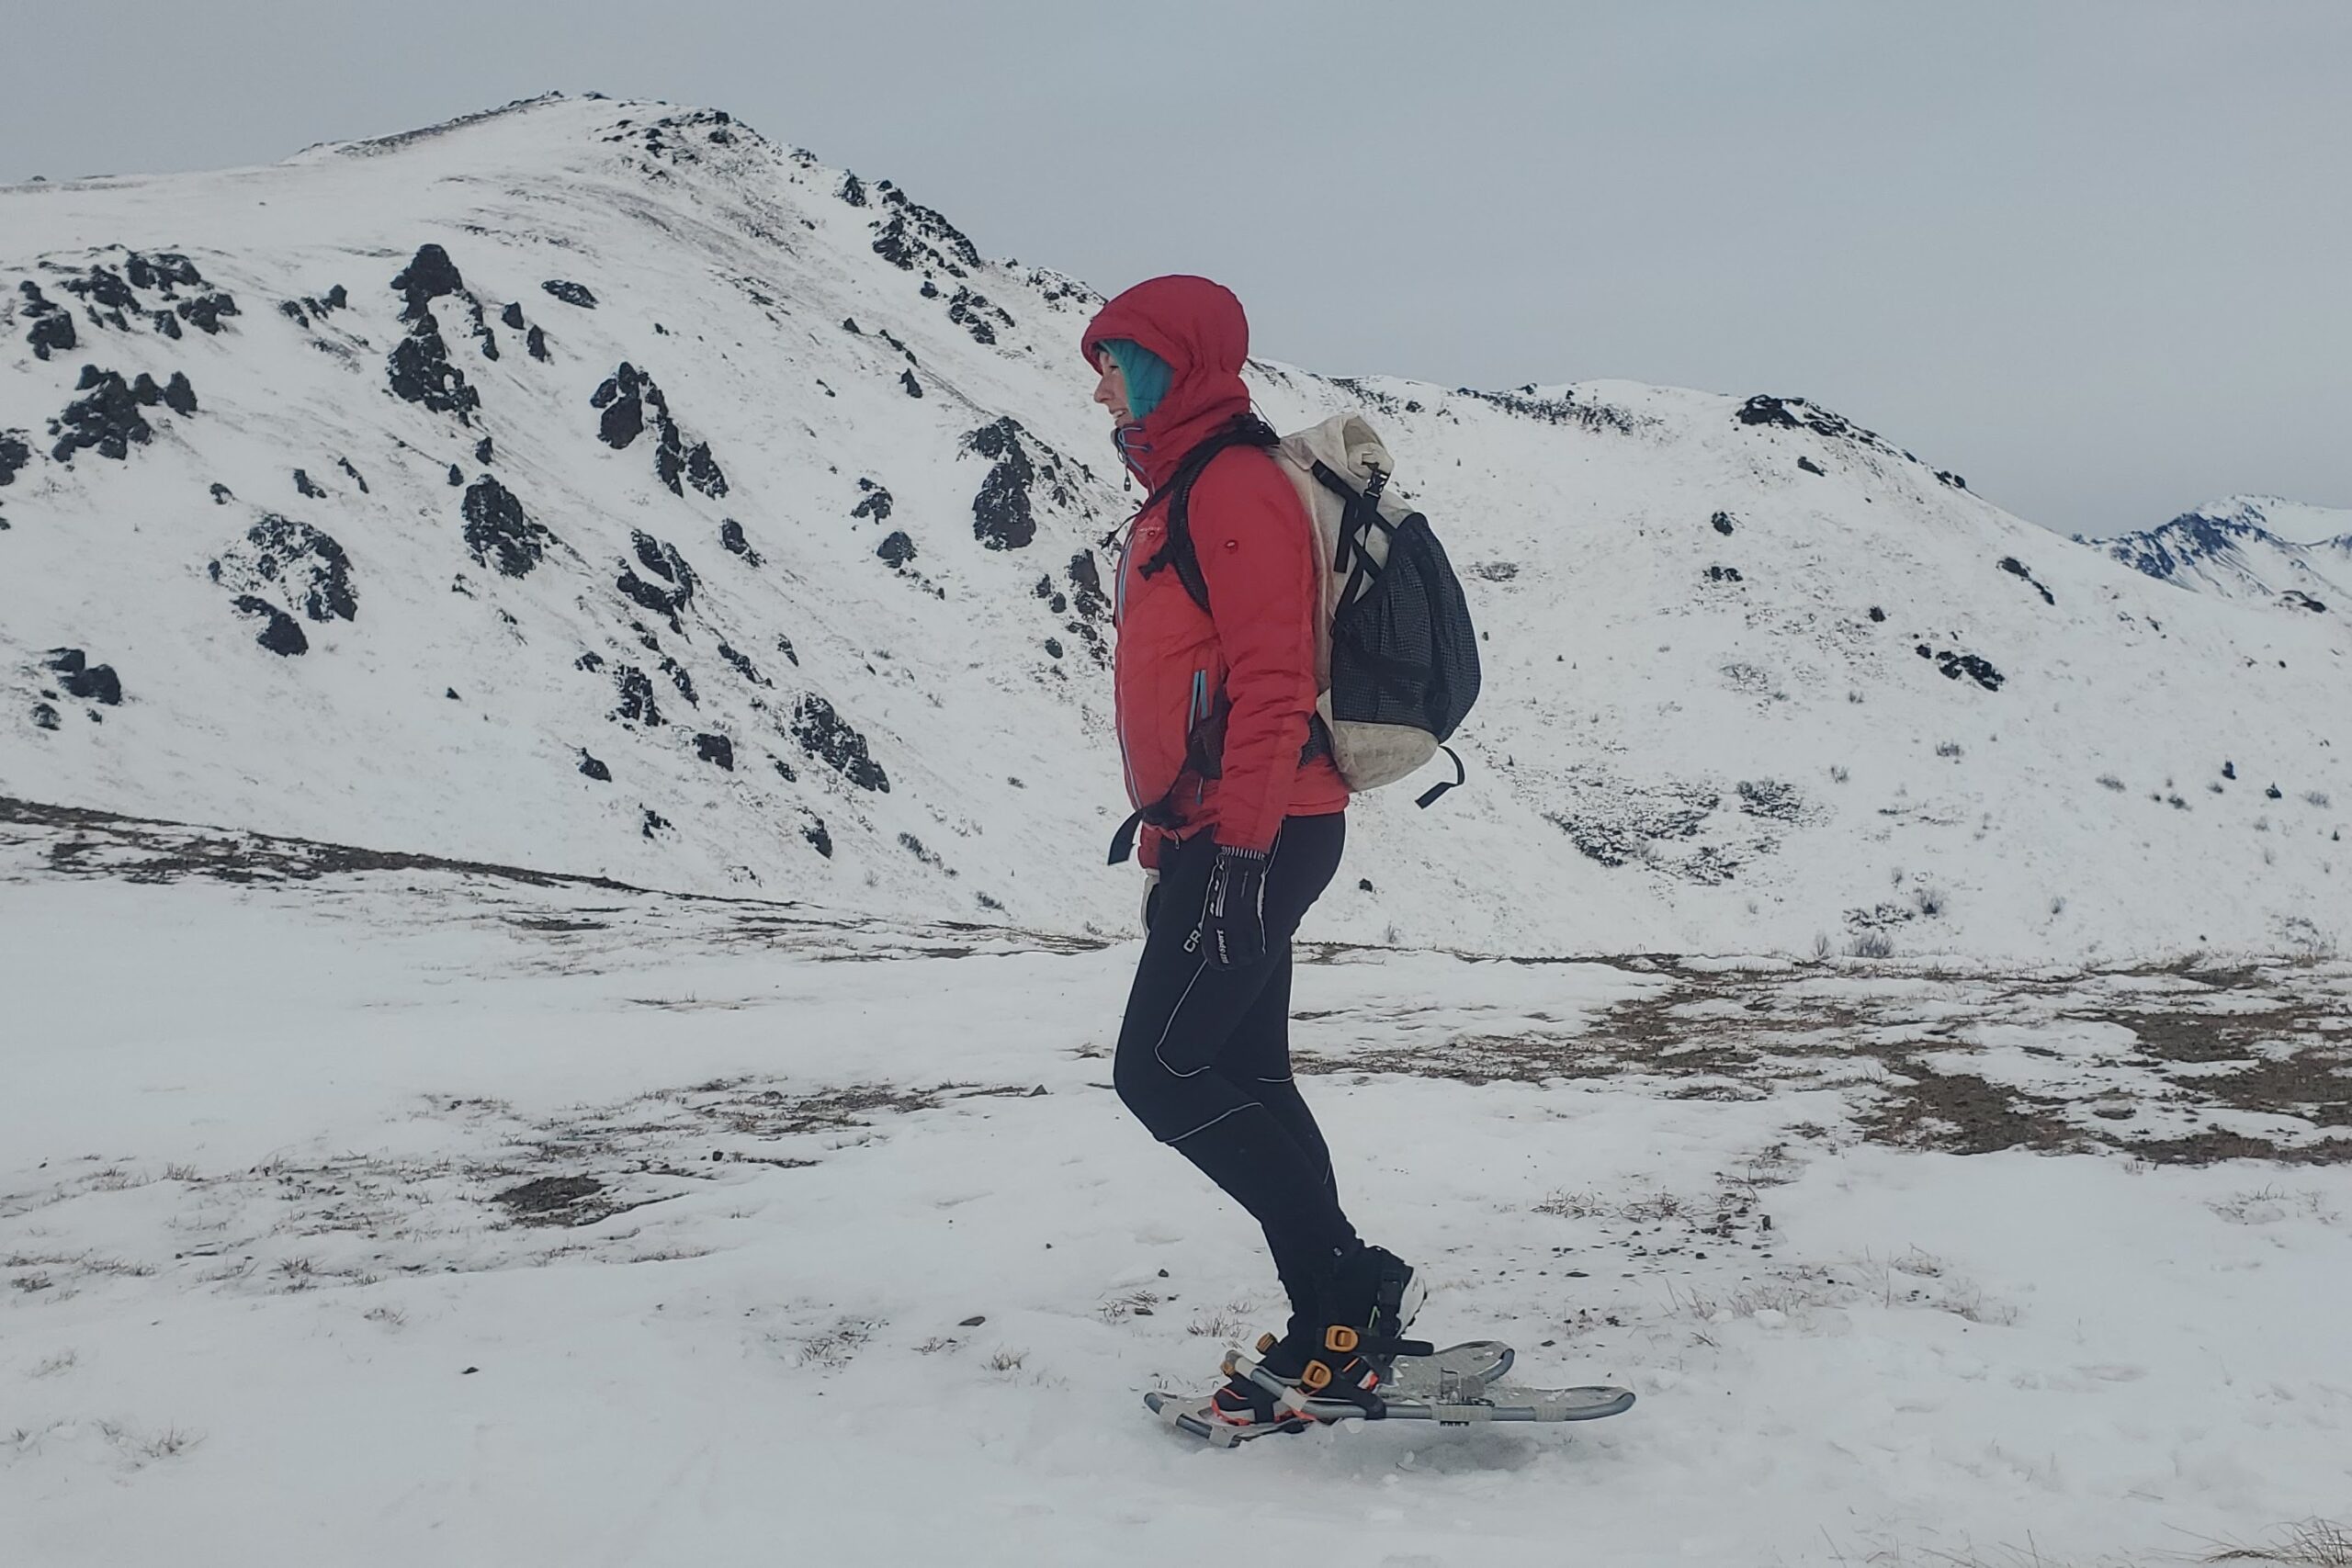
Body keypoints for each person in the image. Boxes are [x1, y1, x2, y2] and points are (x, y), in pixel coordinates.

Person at [1081, 275, 1423, 1427]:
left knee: (1161, 1074)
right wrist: (1179, 833)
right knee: (1246, 1074)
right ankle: (1334, 1318)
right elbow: (1198, 685)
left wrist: (1235, 853)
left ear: (1181, 362)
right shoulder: (1182, 488)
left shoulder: (1231, 485)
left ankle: (1347, 1298)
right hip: (1225, 829)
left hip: (1264, 830)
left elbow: (1277, 679)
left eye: (1121, 358)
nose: (1102, 380)